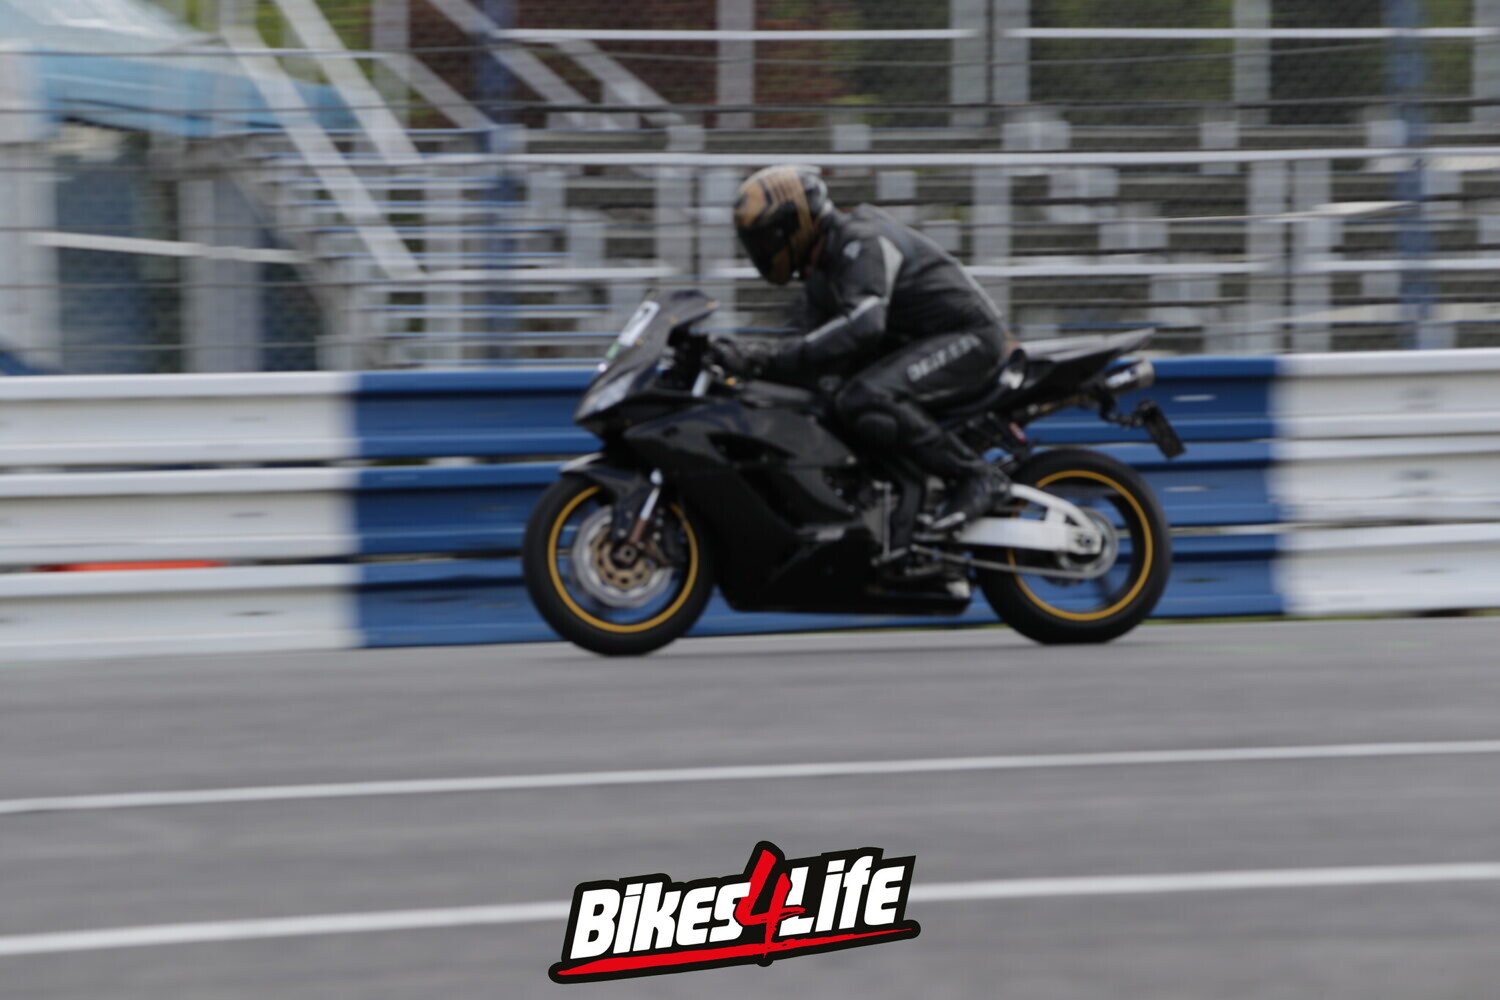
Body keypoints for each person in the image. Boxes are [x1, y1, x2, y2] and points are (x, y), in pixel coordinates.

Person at [713, 163, 1018, 532]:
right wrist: (737, 360)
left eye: (764, 239)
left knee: (867, 397)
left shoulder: (861, 242)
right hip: (915, 344)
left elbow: (863, 327)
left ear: (792, 226)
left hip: (969, 337)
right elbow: (811, 349)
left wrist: (763, 357)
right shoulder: (820, 271)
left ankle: (976, 476)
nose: (760, 250)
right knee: (824, 397)